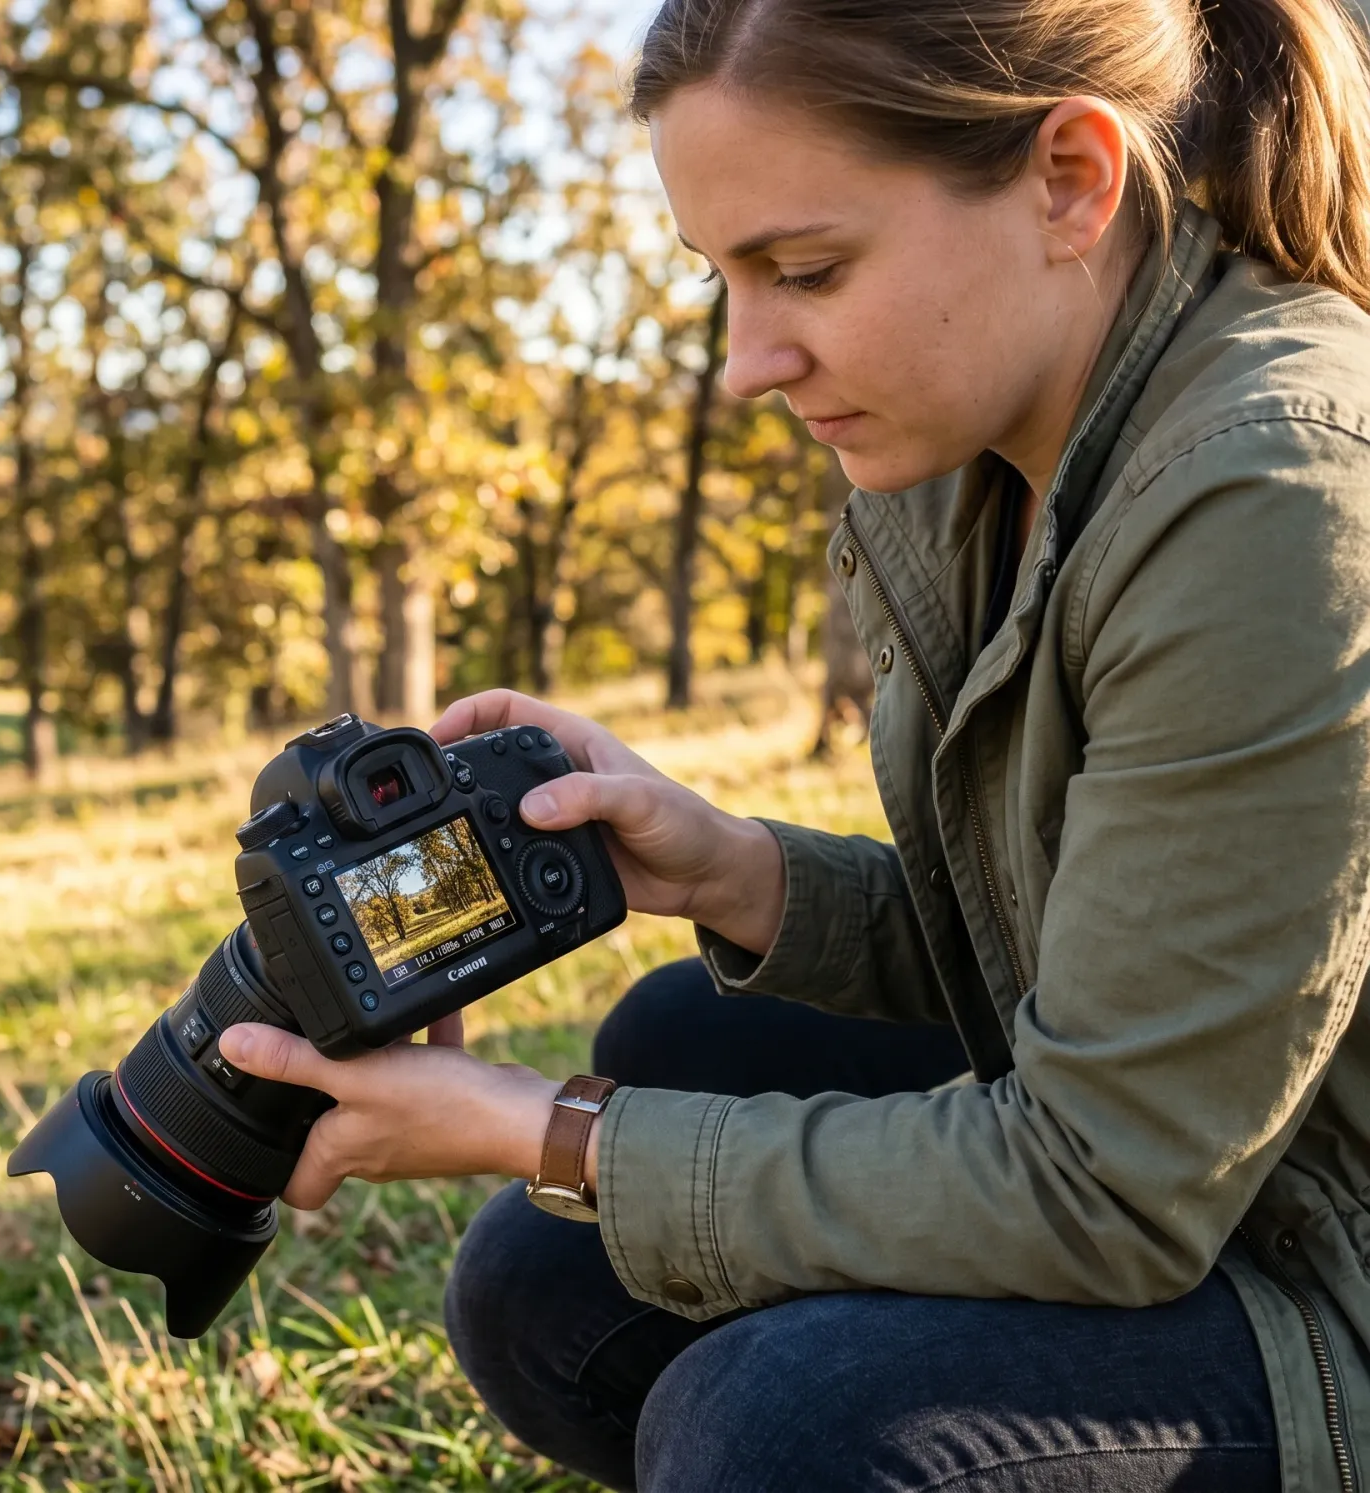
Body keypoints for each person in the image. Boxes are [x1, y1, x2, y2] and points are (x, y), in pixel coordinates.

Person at [219, 0, 1370, 1485]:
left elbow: (1106, 1182)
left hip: (1316, 1259)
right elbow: (1092, 959)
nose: (744, 360)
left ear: (1072, 182)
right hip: (1230, 1161)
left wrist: (546, 1129)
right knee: (577, 1231)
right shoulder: (979, 444)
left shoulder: (1273, 501)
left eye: (805, 270)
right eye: (721, 277)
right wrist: (735, 871)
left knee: (772, 1428)